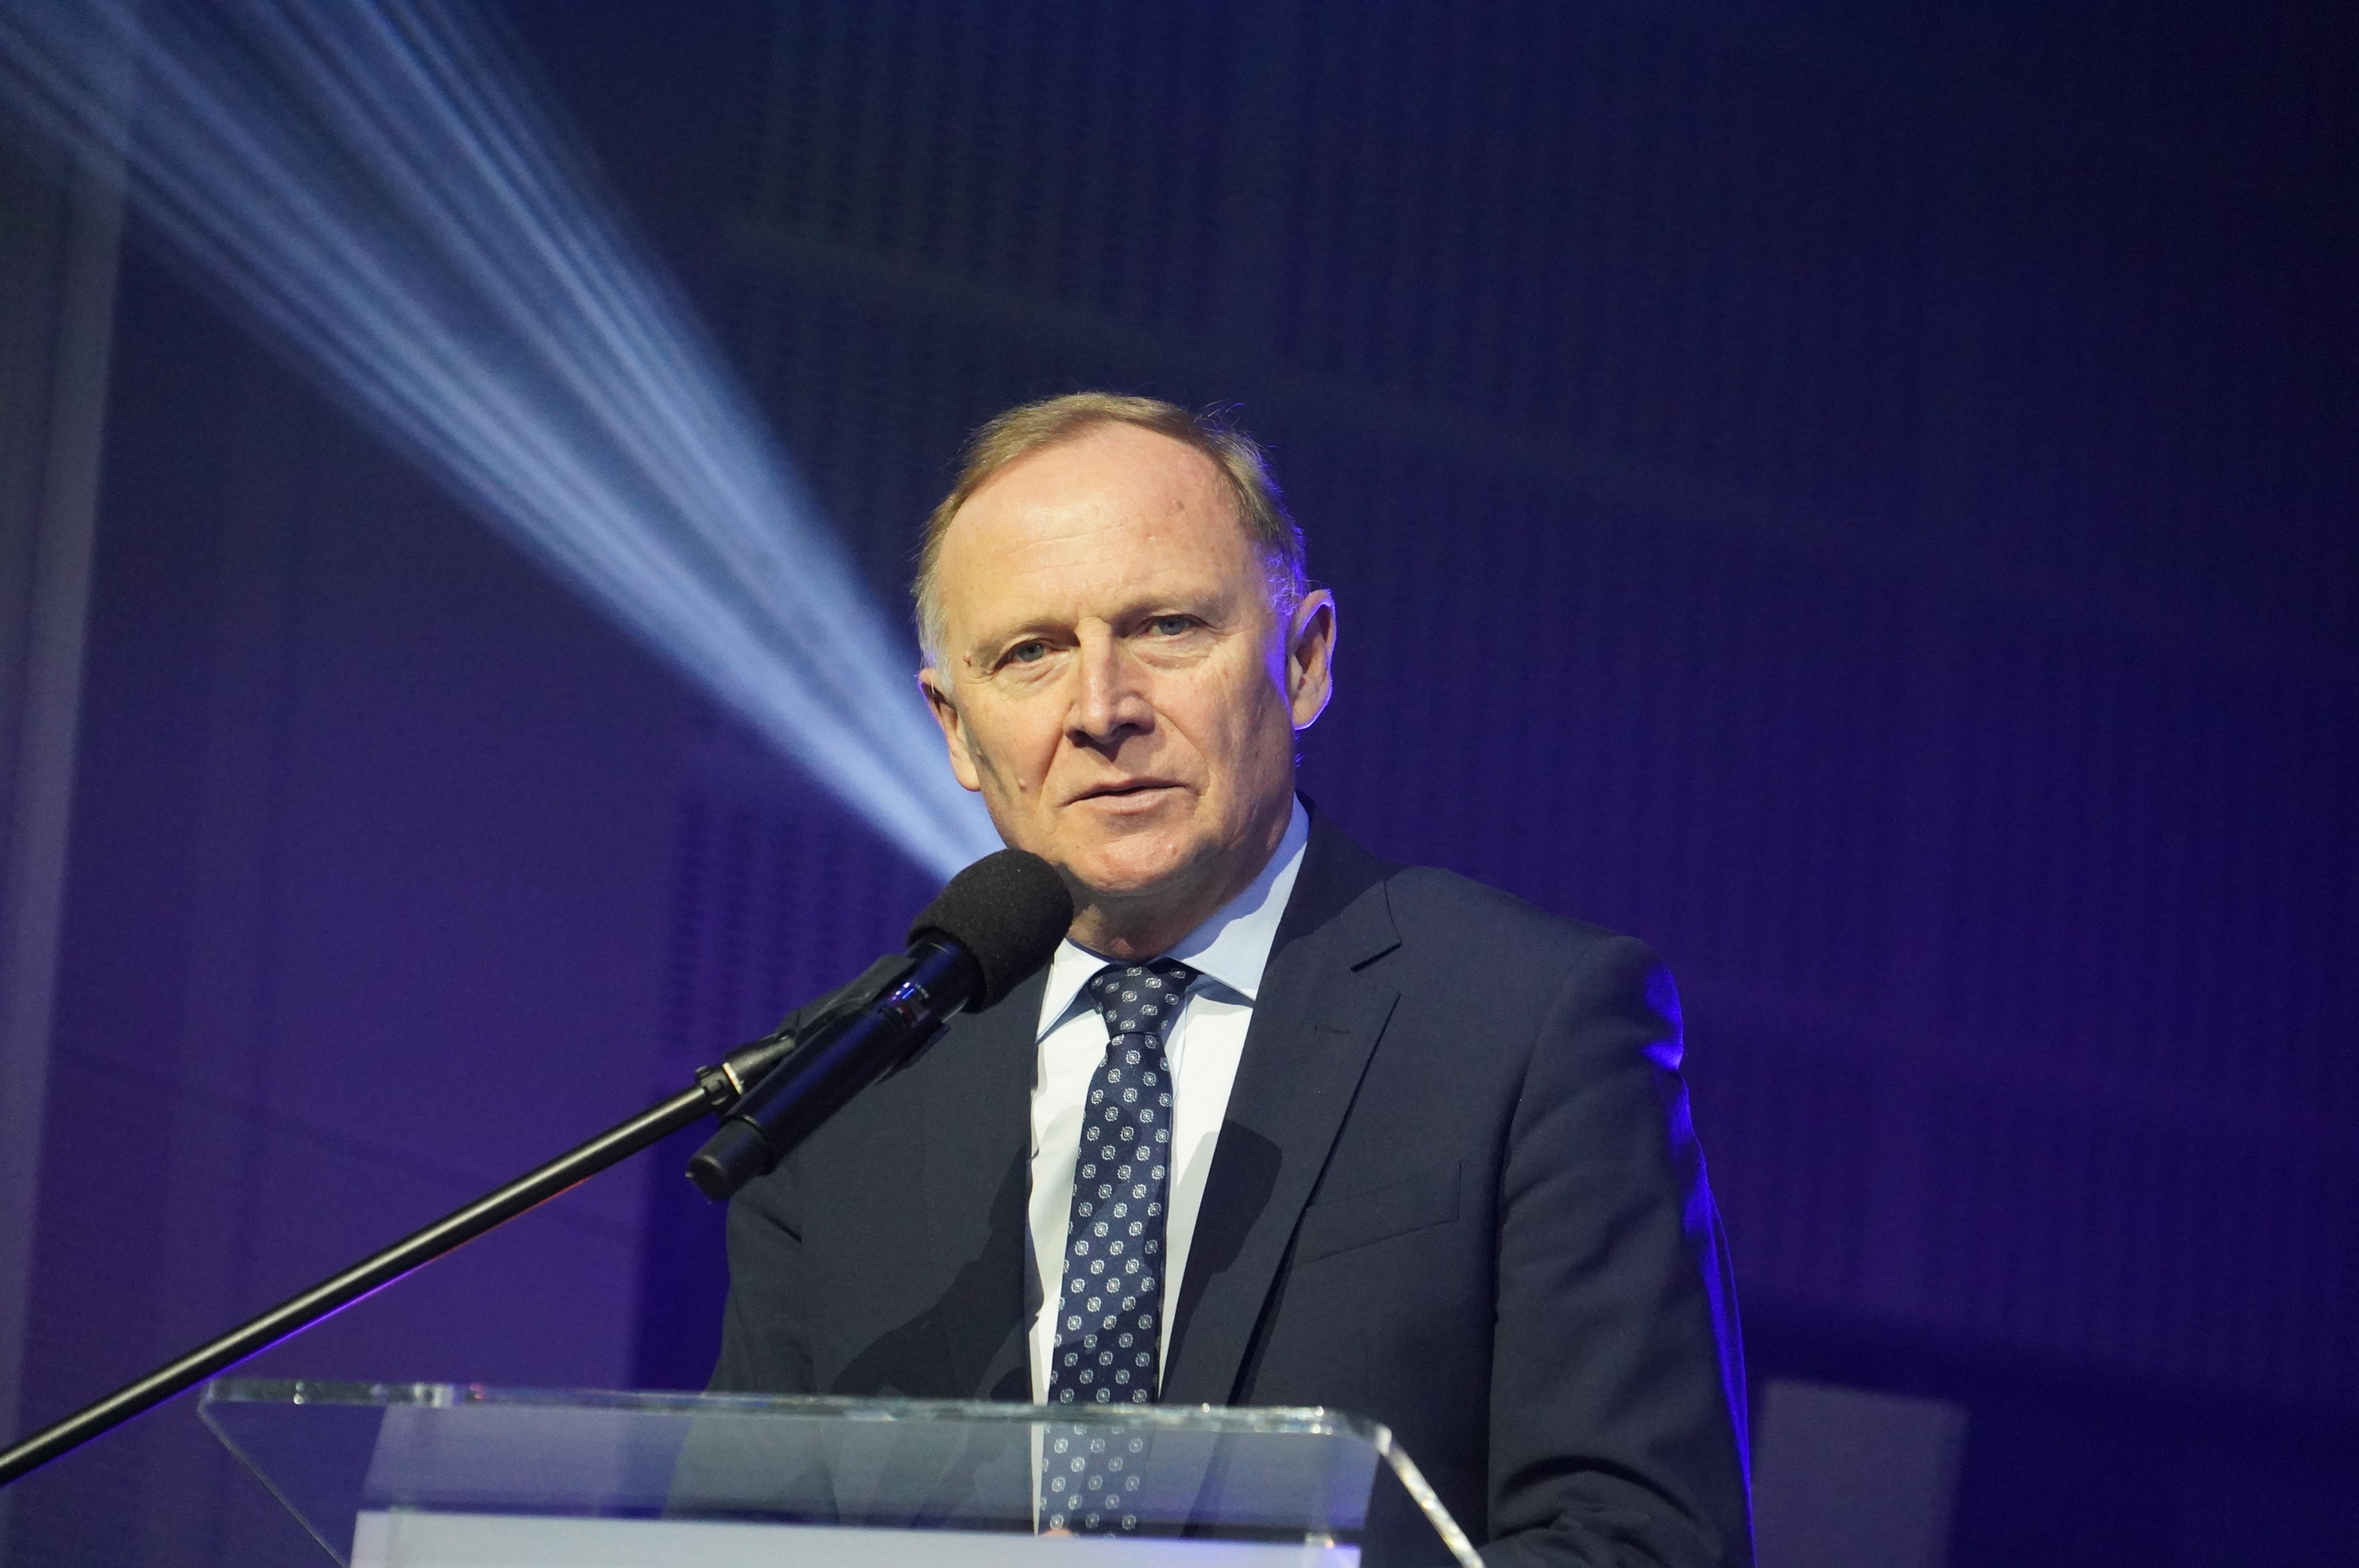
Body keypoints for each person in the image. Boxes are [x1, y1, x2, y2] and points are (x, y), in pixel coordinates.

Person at [710, 394, 1753, 1565]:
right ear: (955, 728)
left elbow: (1639, 1544)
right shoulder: (842, 1095)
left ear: (1303, 662)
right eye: (1031, 654)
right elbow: (739, 1544)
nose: (1101, 710)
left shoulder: (1525, 1025)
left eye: (1165, 627)